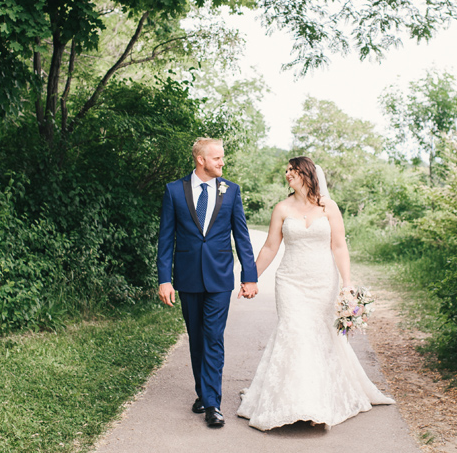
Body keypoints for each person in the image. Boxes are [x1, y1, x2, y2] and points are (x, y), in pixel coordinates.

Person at [237, 156, 394, 431]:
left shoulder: (329, 207)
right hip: (290, 282)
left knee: (319, 337)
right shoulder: (282, 208)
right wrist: (251, 278)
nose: (287, 174)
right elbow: (271, 247)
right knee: (294, 332)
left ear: (307, 173)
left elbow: (339, 246)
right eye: (286, 170)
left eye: (292, 170)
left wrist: (347, 283)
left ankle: (316, 402)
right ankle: (295, 402)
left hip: (323, 281)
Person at [157, 137, 259, 428]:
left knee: (213, 336)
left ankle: (212, 403)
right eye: (217, 158)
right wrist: (165, 279)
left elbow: (242, 237)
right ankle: (203, 392)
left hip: (219, 278)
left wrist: (249, 277)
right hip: (187, 277)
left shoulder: (231, 191)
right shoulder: (174, 191)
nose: (222, 163)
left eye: (222, 158)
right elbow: (166, 239)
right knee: (197, 338)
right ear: (201, 160)